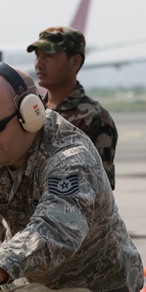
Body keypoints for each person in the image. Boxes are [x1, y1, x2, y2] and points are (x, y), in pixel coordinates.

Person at [0, 61, 142, 292]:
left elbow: (56, 230)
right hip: (27, 286)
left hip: (103, 287)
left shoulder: (71, 155)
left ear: (30, 114)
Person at [27, 26, 118, 189]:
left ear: (74, 61)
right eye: (37, 56)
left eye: (49, 56)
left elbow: (100, 191)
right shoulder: (32, 111)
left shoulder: (95, 119)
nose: (39, 64)